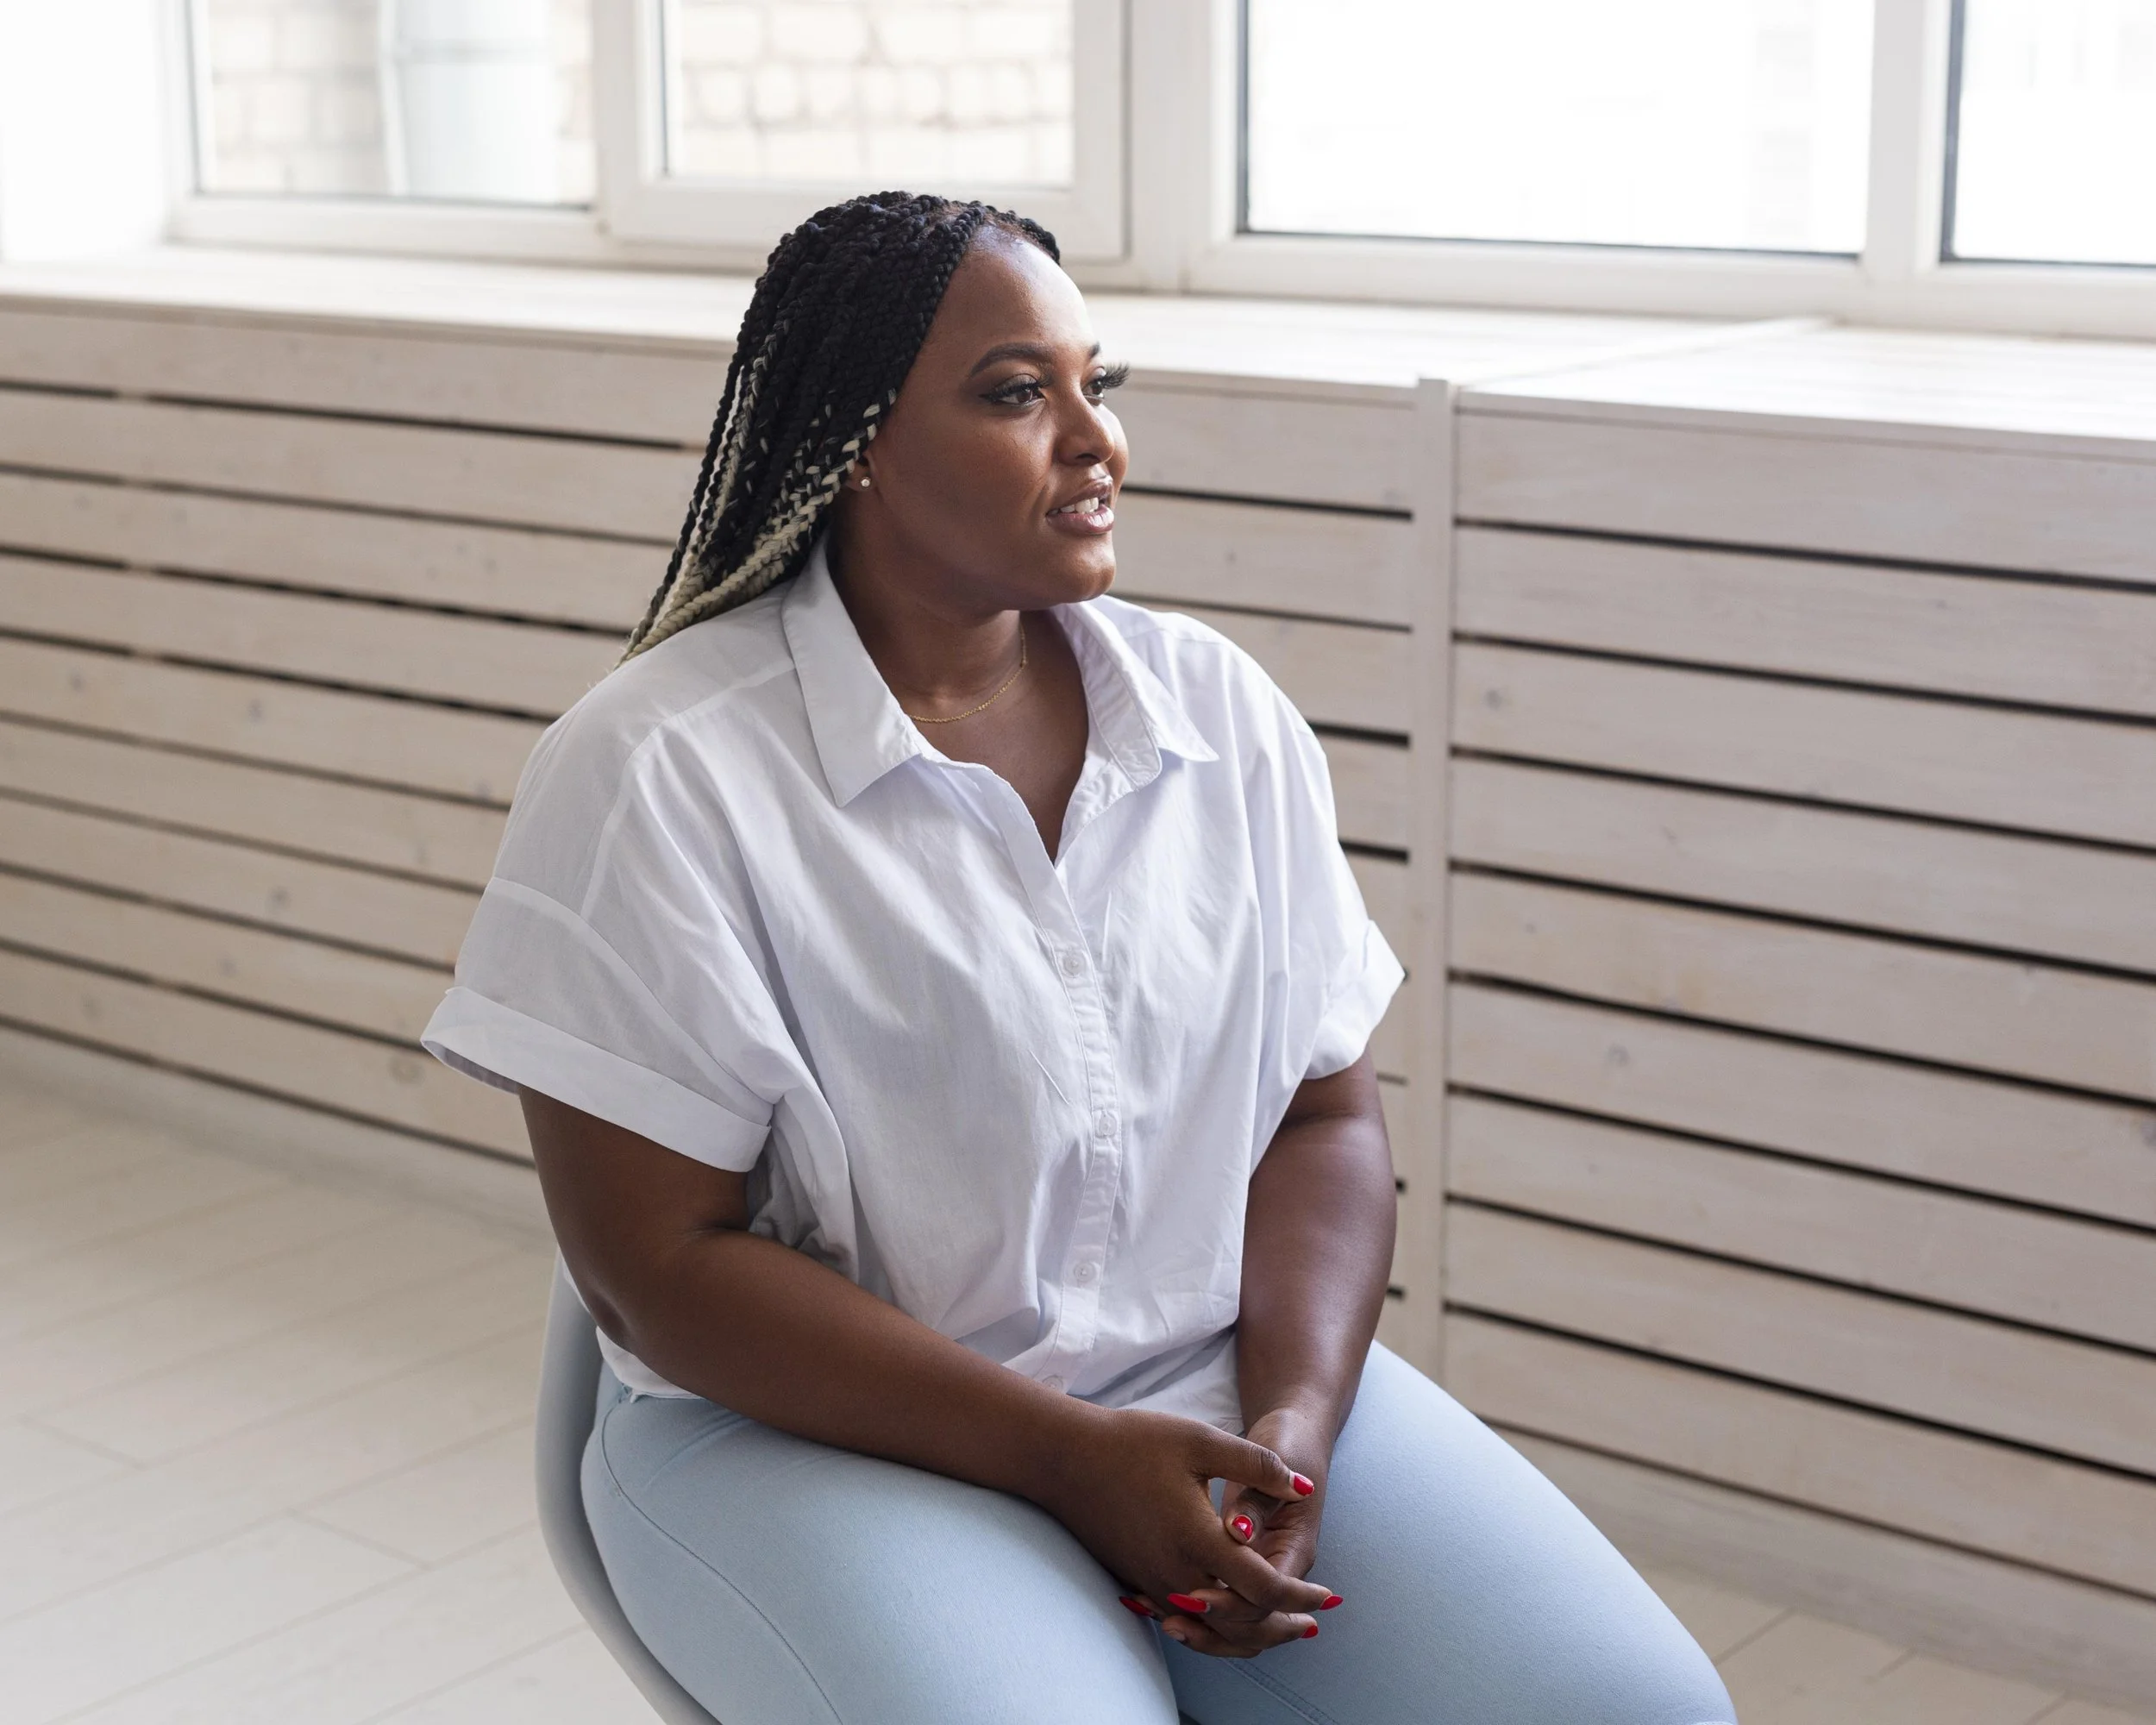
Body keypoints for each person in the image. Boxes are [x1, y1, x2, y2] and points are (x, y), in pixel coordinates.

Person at [423, 191, 1735, 1725]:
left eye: (1094, 387)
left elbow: (1323, 1119)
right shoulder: (655, 769)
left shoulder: (1219, 712)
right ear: (854, 443)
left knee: (1639, 1712)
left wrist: (1291, 1433)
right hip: (804, 1437)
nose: (1096, 440)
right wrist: (1069, 1459)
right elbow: (657, 1275)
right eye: (1014, 394)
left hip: (1203, 1387)